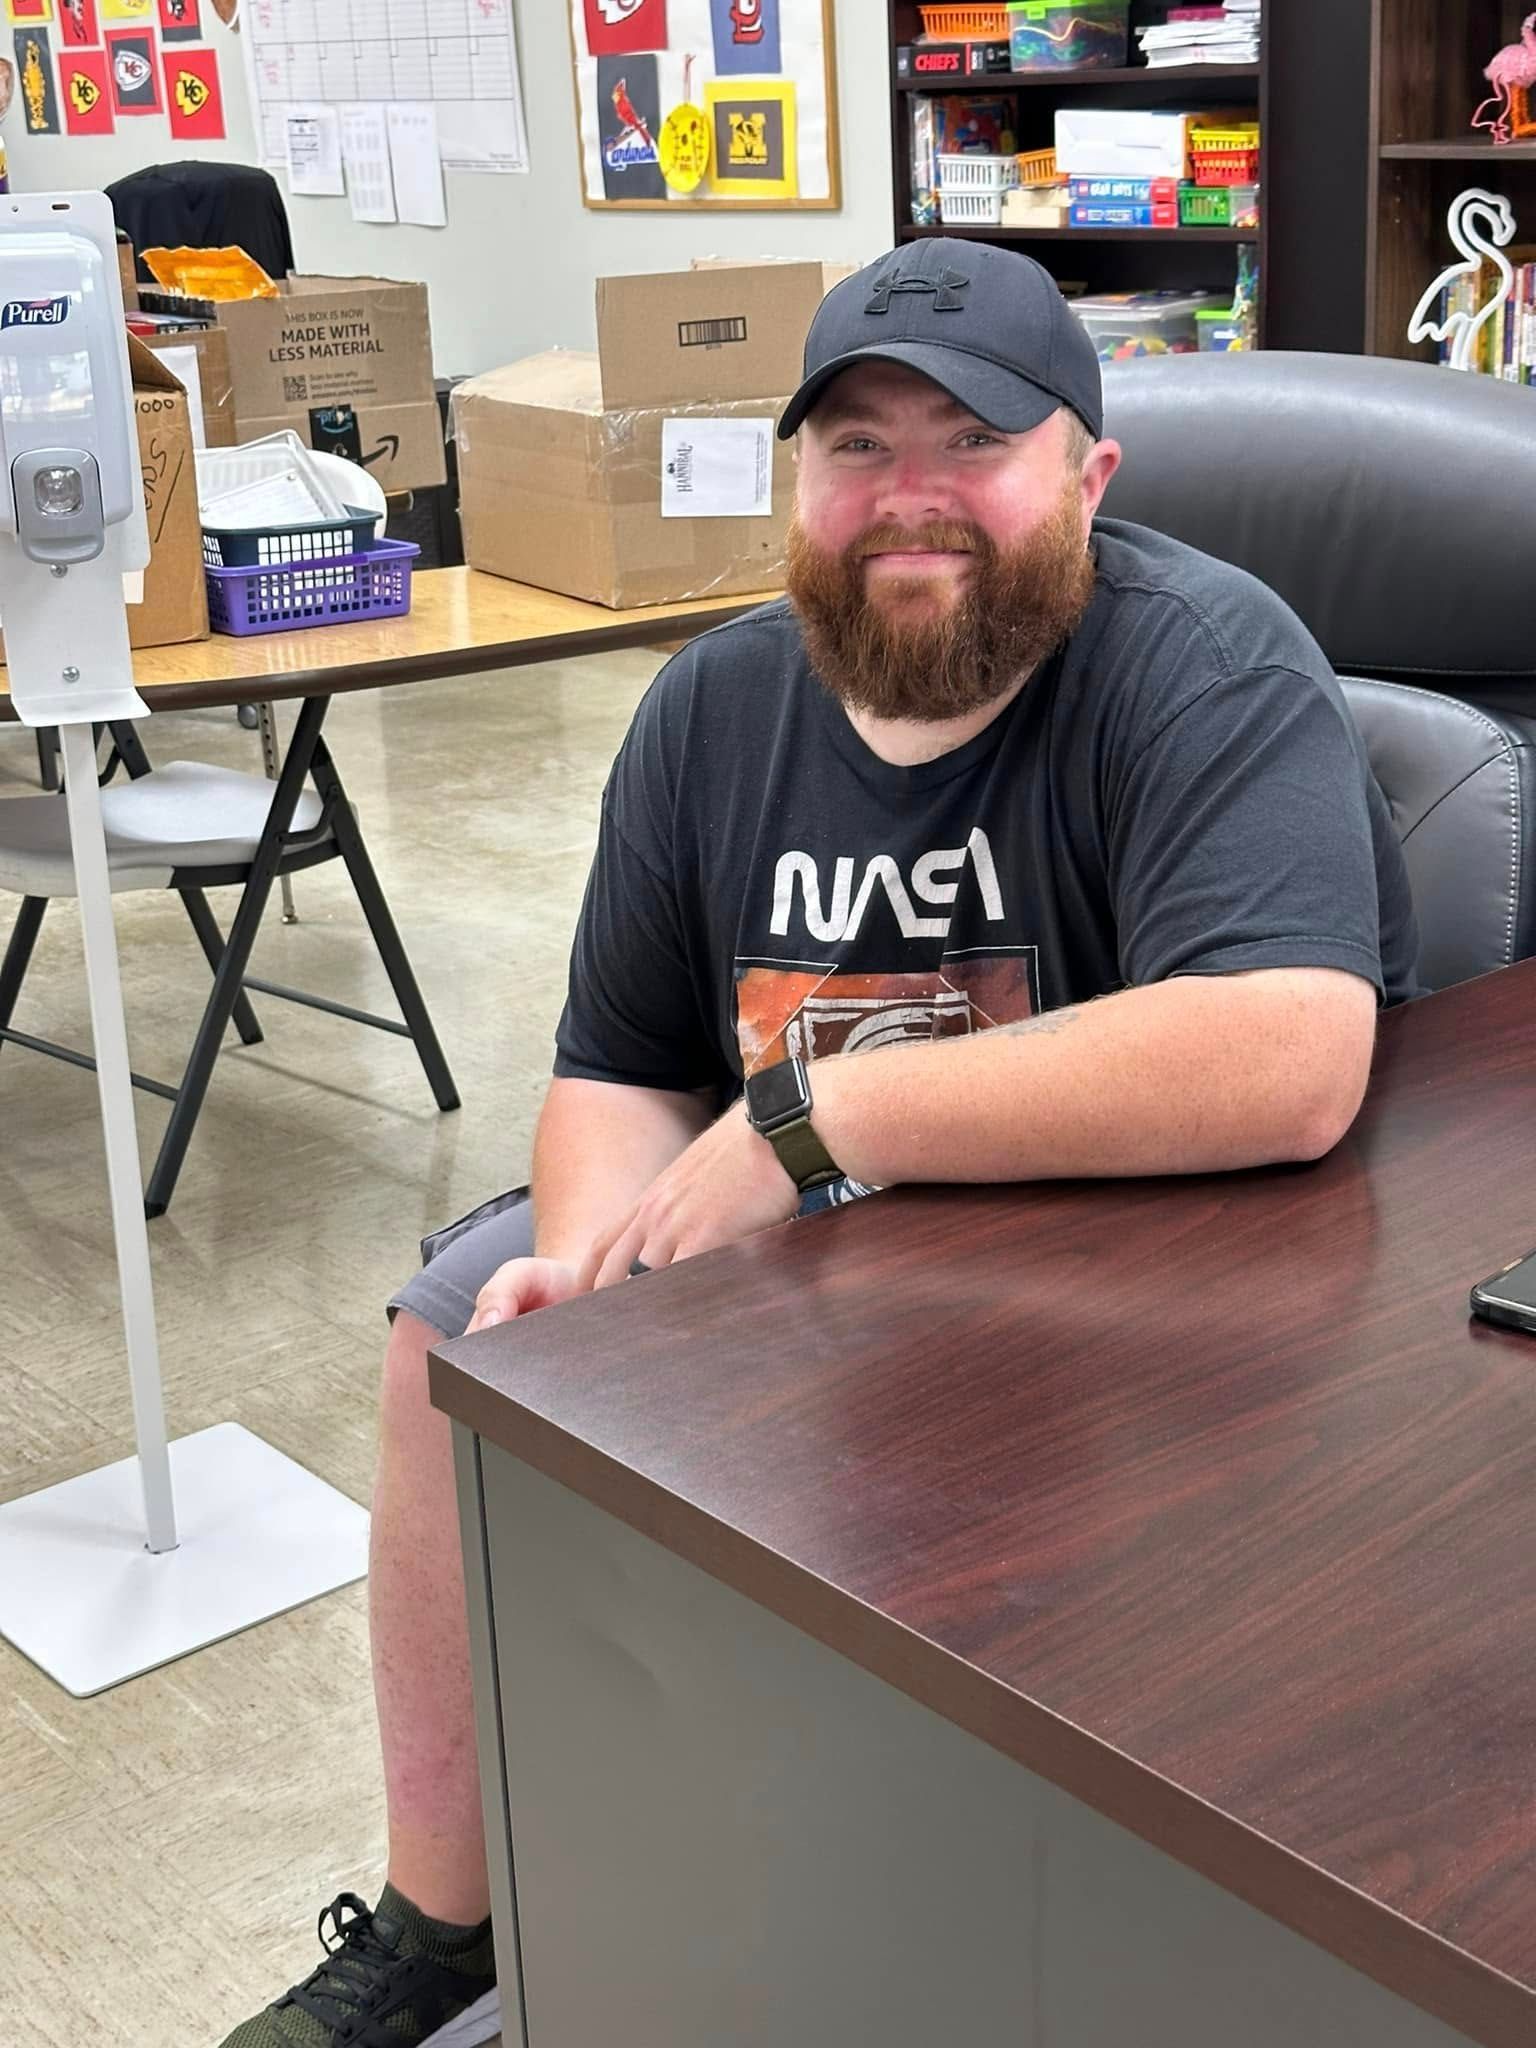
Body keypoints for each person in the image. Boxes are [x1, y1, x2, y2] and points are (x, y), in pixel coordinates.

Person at [220, 238, 1418, 2048]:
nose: (906, 500)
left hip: (1118, 1277)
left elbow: (1291, 1047)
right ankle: (440, 1923)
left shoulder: (1207, 662)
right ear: (796, 480)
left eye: (972, 442)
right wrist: (595, 1283)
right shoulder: (713, 705)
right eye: (857, 447)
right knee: (453, 1338)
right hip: (787, 1266)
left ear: (1088, 478)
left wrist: (818, 1113)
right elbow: (620, 1061)